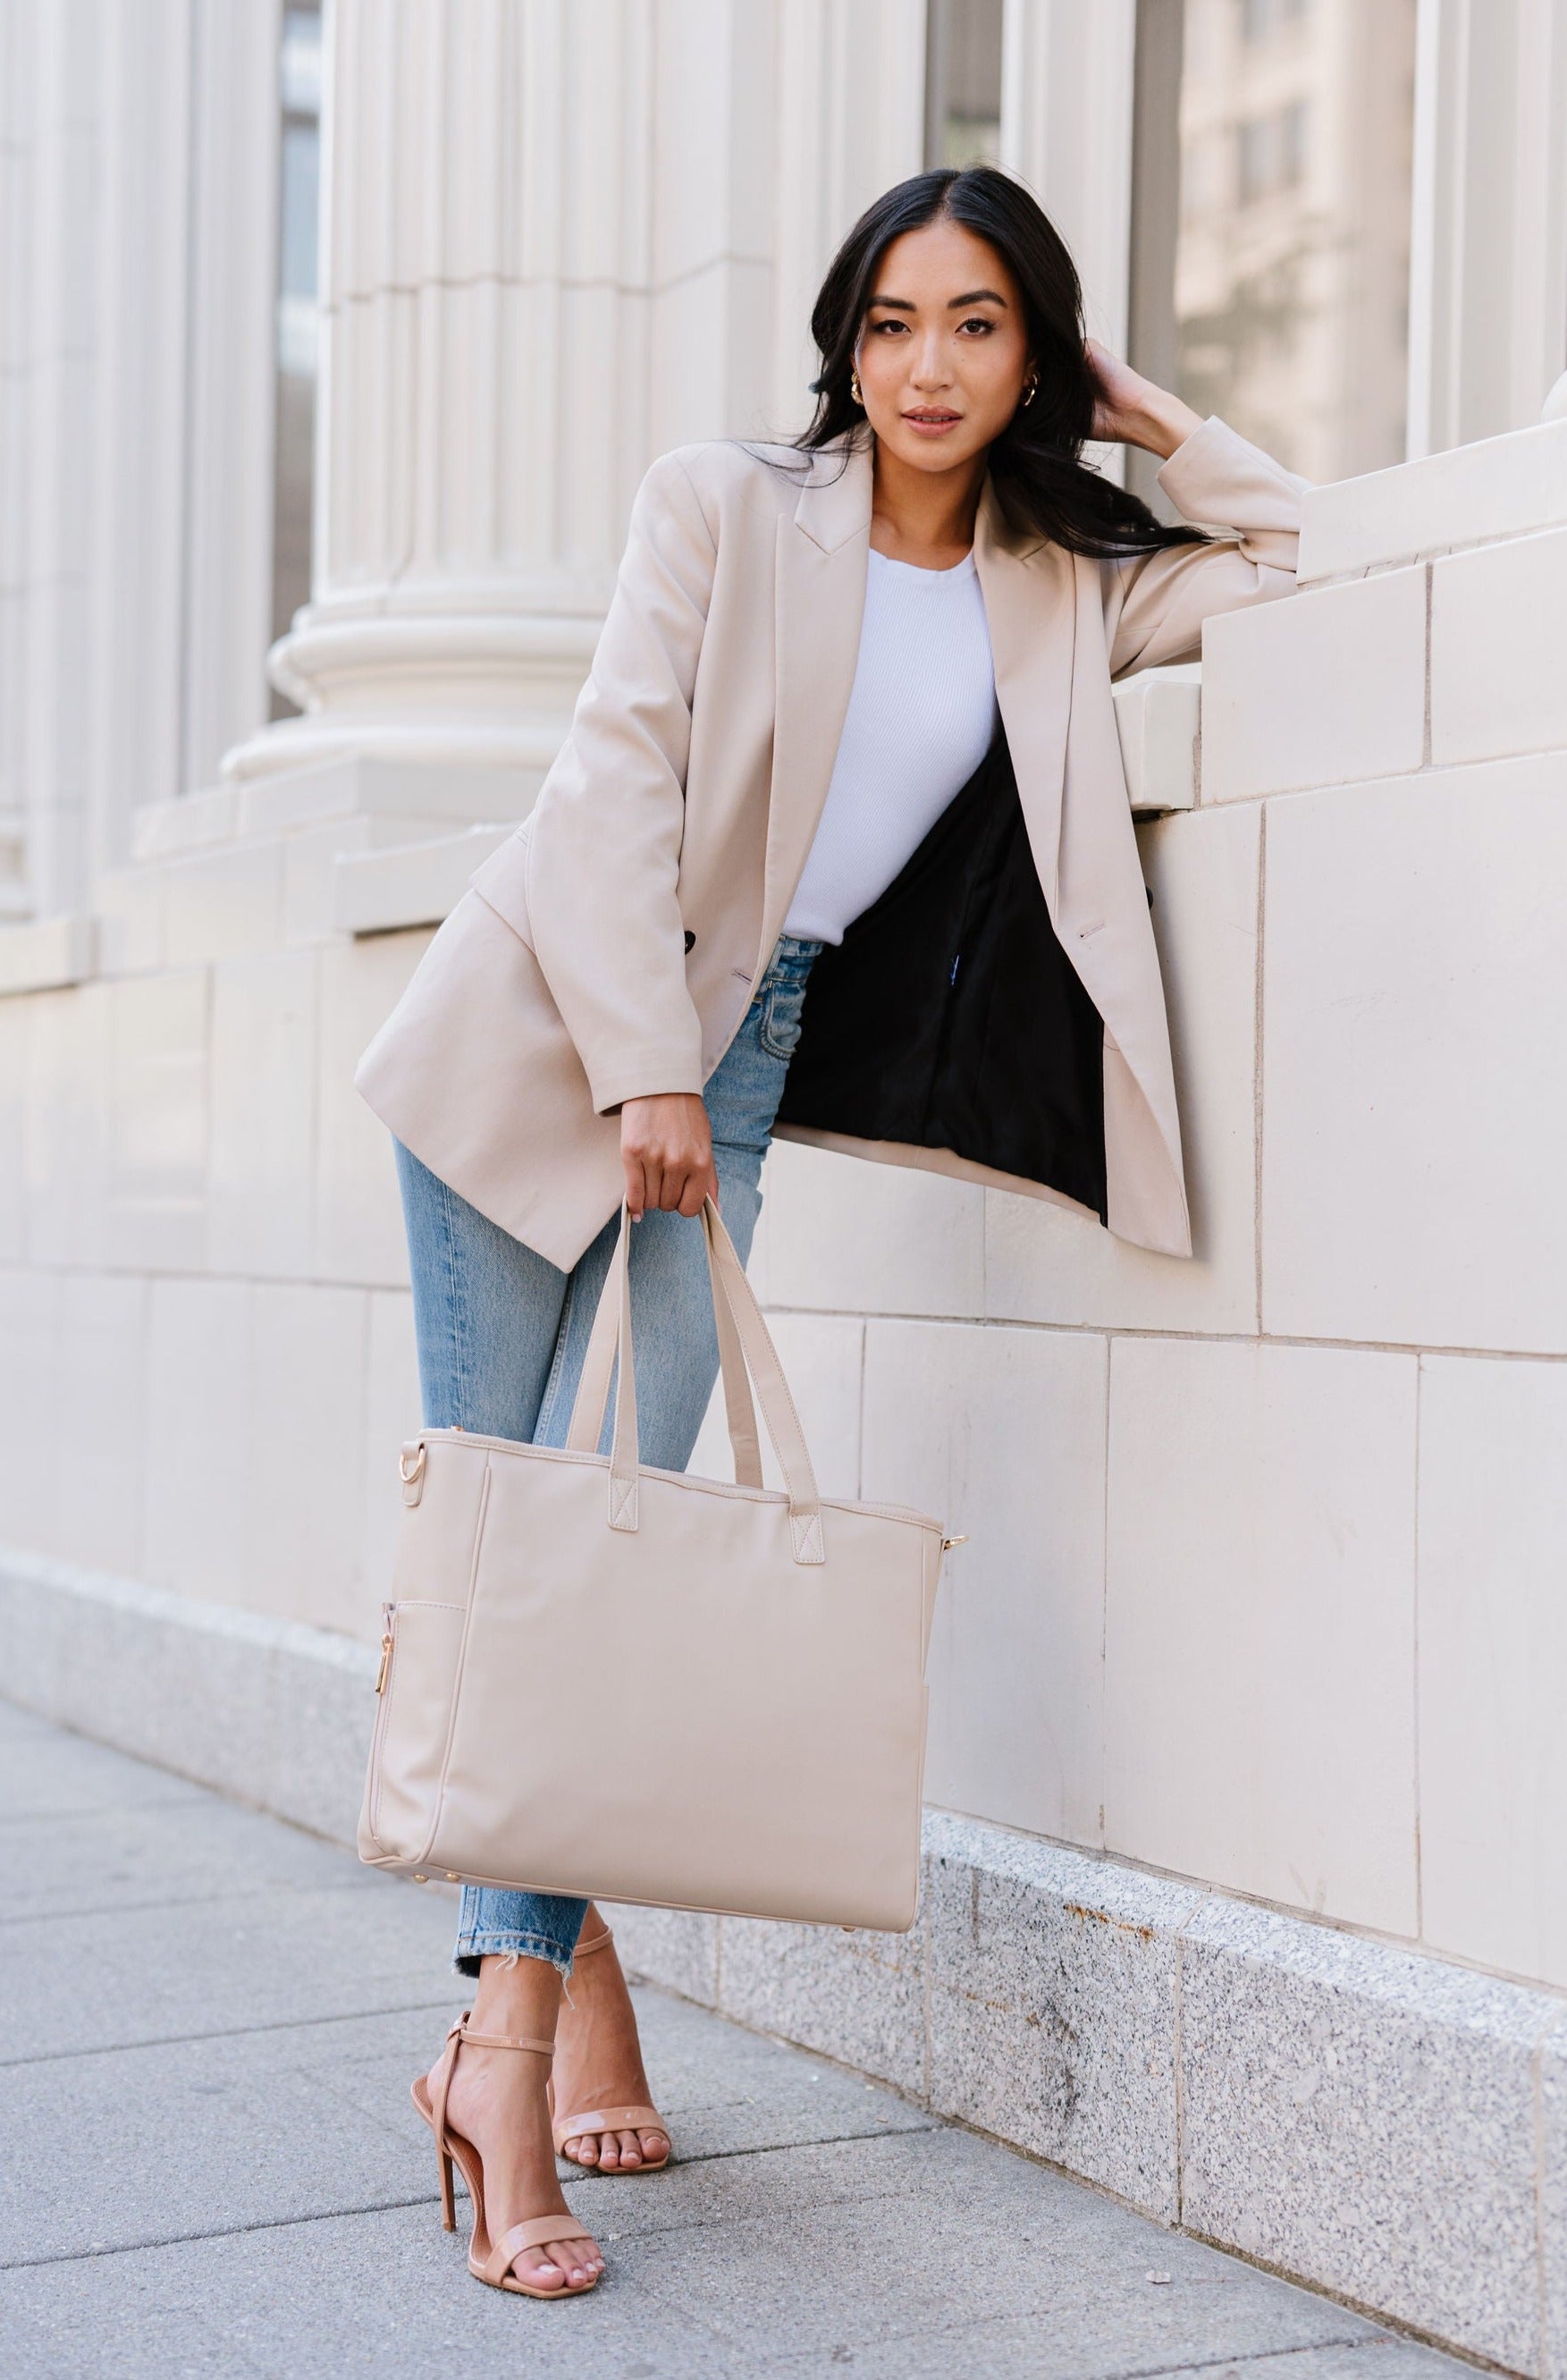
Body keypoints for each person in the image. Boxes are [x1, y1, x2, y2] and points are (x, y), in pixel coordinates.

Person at [357, 163, 1306, 2299]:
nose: (927, 367)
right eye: (891, 323)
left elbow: (1300, 554)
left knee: (594, 1557)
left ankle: (508, 2017)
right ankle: (515, 2046)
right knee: (518, 1549)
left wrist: (1152, 423)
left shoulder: (1062, 576)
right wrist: (641, 1067)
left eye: (978, 325)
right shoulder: (724, 503)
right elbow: (609, 776)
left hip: (748, 1046)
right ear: (842, 344)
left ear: (1031, 350)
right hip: (544, 1037)